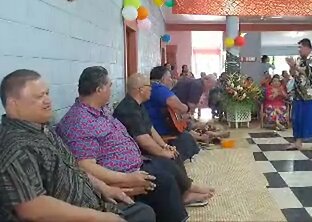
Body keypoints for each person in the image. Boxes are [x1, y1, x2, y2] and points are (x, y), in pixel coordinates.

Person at [0, 69, 156, 222]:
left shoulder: (43, 130)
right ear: (13, 103)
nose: (48, 101)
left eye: (47, 93)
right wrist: (100, 217)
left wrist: (104, 188)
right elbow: (33, 209)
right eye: (39, 96)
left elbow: (73, 167)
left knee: (144, 210)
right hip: (79, 215)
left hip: (93, 203)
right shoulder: (15, 146)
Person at [56, 66, 189, 222]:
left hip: (136, 164)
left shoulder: (101, 111)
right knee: (163, 182)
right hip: (122, 176)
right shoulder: (80, 121)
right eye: (109, 85)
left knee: (168, 166)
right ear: (99, 89)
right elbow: (85, 166)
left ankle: (184, 196)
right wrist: (127, 179)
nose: (111, 89)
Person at [114, 73, 214, 206]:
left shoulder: (139, 105)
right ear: (140, 90)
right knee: (168, 159)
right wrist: (162, 152)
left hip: (141, 146)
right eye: (149, 87)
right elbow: (143, 140)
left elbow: (150, 129)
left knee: (173, 152)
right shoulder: (128, 109)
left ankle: (187, 187)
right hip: (133, 153)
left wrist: (164, 146)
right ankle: (185, 193)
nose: (151, 89)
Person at [145, 66, 202, 157]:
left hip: (155, 124)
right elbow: (178, 105)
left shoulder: (151, 87)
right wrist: (187, 108)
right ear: (163, 78)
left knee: (186, 125)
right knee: (186, 136)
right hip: (158, 129)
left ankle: (202, 137)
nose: (171, 80)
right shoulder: (158, 88)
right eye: (169, 78)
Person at [285, 38, 312, 150]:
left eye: (300, 47)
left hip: (310, 94)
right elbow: (294, 74)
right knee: (298, 118)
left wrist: (295, 66)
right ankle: (298, 142)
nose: (299, 50)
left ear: (307, 47)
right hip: (298, 94)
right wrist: (292, 66)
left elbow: (308, 72)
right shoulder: (299, 59)